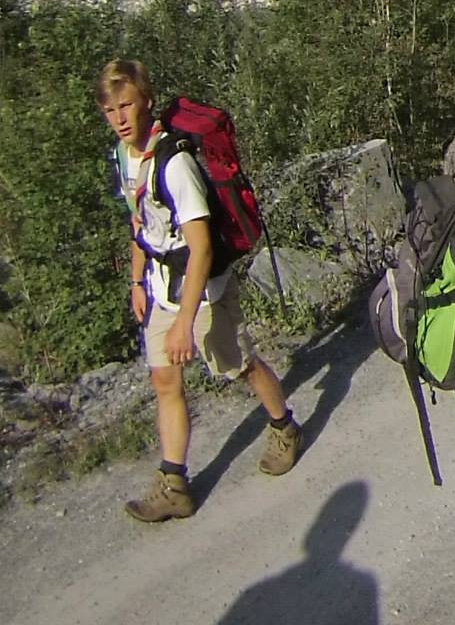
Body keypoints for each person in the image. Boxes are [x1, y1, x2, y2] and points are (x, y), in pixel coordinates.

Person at [99, 59, 304, 523]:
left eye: (127, 105)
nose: (120, 118)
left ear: (146, 101)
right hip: (158, 286)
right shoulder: (123, 156)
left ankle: (285, 427)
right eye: (111, 110)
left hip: (202, 290)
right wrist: (136, 281)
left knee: (239, 366)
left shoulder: (175, 165)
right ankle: (174, 484)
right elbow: (138, 222)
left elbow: (202, 248)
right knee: (164, 381)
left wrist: (184, 325)